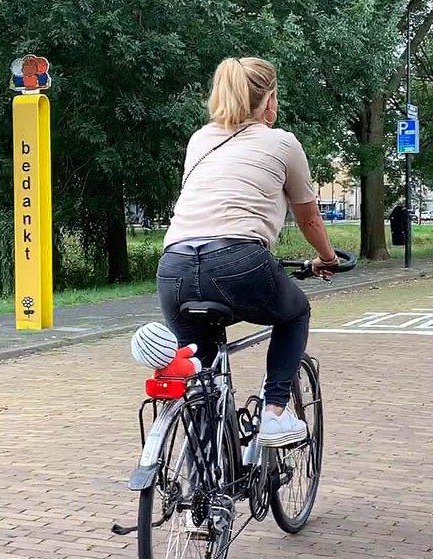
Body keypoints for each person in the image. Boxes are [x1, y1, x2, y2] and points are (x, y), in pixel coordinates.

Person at [157, 56, 338, 448]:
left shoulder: (200, 139)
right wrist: (327, 258)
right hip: (238, 263)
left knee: (203, 379)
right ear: (268, 101)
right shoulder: (282, 142)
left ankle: (203, 478)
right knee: (295, 313)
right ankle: (274, 414)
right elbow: (308, 219)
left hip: (173, 269)